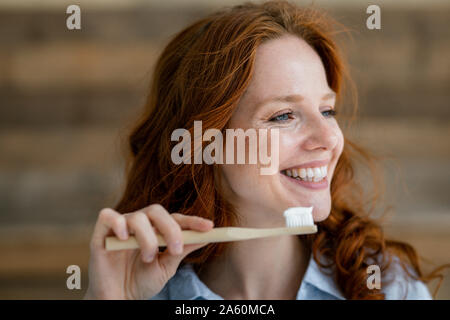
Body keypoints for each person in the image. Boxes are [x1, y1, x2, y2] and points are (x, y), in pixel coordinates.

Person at [84, 0, 444, 300]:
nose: (328, 138)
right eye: (284, 115)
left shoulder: (388, 286)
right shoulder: (140, 291)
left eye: (327, 110)